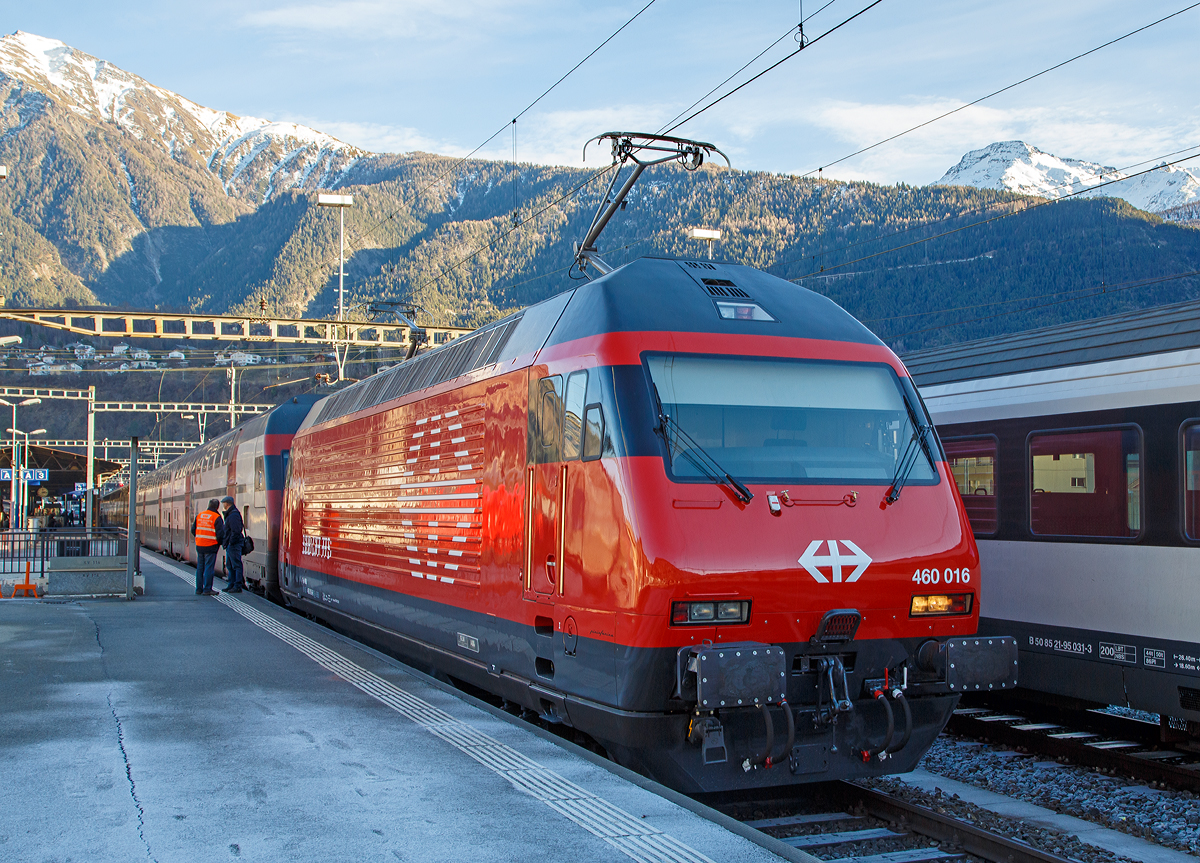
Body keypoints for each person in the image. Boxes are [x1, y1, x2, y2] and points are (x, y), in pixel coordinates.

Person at [191, 499, 225, 596]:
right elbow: (220, 534)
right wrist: (220, 543)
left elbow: (193, 530)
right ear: (217, 507)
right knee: (209, 568)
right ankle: (207, 589)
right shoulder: (216, 517)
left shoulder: (200, 515)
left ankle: (198, 589)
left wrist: (200, 537)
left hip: (200, 545)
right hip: (211, 546)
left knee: (200, 568)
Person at [219, 496, 245, 593]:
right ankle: (231, 584)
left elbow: (235, 530)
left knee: (236, 565)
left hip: (234, 544)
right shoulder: (232, 514)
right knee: (230, 565)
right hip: (231, 544)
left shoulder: (233, 515)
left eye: (224, 503)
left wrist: (230, 541)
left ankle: (237, 585)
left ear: (227, 503)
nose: (223, 505)